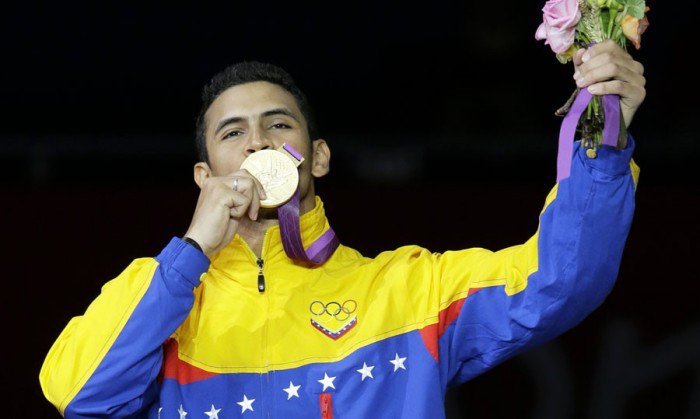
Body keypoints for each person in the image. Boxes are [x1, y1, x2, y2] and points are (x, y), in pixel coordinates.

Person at [40, 40, 644, 418]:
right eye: (233, 133)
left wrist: (602, 131)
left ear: (318, 156)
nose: (257, 143)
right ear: (205, 175)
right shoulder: (156, 296)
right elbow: (82, 395)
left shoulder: (404, 291)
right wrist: (194, 251)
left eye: (279, 125)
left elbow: (560, 279)